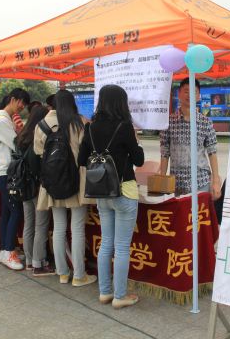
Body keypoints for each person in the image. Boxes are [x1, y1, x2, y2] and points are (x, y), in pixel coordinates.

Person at [78, 85, 144, 309]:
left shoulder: (91, 127)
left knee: (106, 243)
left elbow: (81, 159)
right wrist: (136, 141)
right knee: (122, 246)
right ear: (120, 103)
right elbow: (139, 160)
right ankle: (120, 296)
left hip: (101, 191)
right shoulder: (125, 127)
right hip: (124, 190)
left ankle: (105, 292)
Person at [34, 89, 96, 287]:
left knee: (59, 227)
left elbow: (38, 152)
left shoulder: (42, 124)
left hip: (53, 181)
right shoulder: (80, 122)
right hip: (76, 180)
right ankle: (79, 275)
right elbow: (88, 151)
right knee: (77, 228)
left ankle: (62, 273)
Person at [160, 78, 221, 198]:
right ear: (179, 94)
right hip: (176, 184)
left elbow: (212, 152)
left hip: (201, 181)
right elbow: (164, 153)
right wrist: (162, 178)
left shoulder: (206, 122)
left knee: (201, 210)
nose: (189, 95)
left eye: (194, 92)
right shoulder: (168, 122)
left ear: (198, 96)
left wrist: (216, 180)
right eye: (186, 91)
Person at [0, 88, 30, 270]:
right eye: (21, 102)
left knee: (7, 212)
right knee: (16, 211)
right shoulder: (1, 120)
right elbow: (17, 144)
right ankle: (8, 252)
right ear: (13, 99)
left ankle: (6, 250)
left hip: (4, 171)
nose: (22, 107)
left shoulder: (4, 119)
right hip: (4, 172)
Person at [16, 104, 55, 275]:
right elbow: (39, 166)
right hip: (37, 188)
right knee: (41, 225)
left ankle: (30, 261)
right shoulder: (37, 138)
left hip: (24, 186)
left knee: (28, 224)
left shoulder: (21, 138)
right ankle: (39, 263)